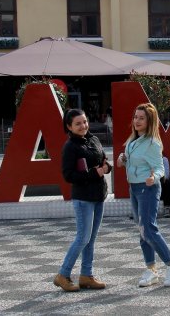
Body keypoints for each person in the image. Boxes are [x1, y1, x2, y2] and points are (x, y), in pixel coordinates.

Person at [116, 103, 170, 287]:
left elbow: (160, 168)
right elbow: (126, 160)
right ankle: (151, 269)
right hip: (135, 188)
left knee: (148, 228)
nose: (136, 121)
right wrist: (122, 159)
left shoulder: (153, 143)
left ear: (149, 121)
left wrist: (154, 177)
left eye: (141, 118)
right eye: (135, 117)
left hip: (148, 189)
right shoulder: (132, 141)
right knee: (142, 230)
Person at [53, 109, 110, 292]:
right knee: (82, 238)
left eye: (84, 122)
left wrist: (106, 167)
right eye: (78, 123)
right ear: (69, 127)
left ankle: (86, 275)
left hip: (98, 195)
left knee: (91, 239)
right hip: (83, 198)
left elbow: (103, 159)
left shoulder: (93, 139)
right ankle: (63, 274)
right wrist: (95, 173)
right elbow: (68, 175)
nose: (83, 126)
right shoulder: (70, 147)